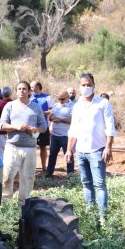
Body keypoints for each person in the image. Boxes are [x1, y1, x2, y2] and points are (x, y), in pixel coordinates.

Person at [65, 73, 116, 226]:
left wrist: (108, 147)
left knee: (99, 184)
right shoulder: (77, 105)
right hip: (81, 150)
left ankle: (102, 218)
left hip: (97, 150)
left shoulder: (103, 103)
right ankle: (90, 213)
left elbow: (110, 127)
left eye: (89, 85)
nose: (86, 87)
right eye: (83, 85)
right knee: (86, 183)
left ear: (94, 85)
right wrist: (69, 150)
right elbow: (73, 130)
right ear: (79, 87)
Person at [0, 81, 47, 206]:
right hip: (12, 147)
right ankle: (5, 207)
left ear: (29, 91)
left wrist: (35, 129)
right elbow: (2, 125)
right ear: (16, 91)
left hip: (30, 148)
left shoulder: (36, 107)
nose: (21, 91)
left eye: (24, 89)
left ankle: (23, 208)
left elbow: (44, 126)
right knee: (6, 177)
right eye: (19, 88)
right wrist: (16, 127)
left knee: (27, 179)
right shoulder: (10, 105)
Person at [46, 90, 75, 177]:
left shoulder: (73, 107)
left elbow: (73, 120)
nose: (60, 101)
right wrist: (51, 117)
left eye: (62, 99)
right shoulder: (56, 105)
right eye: (59, 99)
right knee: (52, 154)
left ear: (67, 97)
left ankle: (70, 174)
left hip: (66, 135)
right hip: (55, 134)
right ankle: (49, 172)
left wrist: (61, 120)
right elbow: (51, 117)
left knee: (68, 155)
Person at [29, 81, 54, 172]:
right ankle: (31, 166)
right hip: (31, 126)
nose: (31, 89)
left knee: (43, 147)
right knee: (30, 146)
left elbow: (52, 111)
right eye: (30, 87)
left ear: (38, 87)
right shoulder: (29, 98)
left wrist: (41, 113)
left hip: (43, 126)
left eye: (32, 87)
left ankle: (43, 166)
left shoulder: (47, 98)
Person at [0, 87, 12, 155]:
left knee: (1, 151)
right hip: (13, 130)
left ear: (2, 94)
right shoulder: (15, 104)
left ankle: (3, 165)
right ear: (11, 93)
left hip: (1, 131)